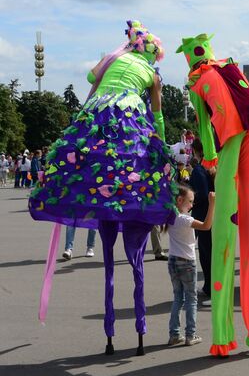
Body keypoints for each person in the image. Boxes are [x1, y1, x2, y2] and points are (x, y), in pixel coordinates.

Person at [29, 20, 176, 355]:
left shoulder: (113, 61)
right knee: (138, 171)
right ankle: (139, 326)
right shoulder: (152, 76)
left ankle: (111, 331)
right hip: (129, 116)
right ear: (153, 56)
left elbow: (90, 78)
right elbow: (159, 116)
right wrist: (162, 149)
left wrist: (118, 53)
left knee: (90, 168)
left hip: (96, 115)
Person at [177, 33, 249, 356]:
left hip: (231, 138)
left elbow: (204, 125)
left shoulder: (197, 79)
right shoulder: (230, 67)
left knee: (224, 239)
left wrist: (211, 158)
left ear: (190, 59)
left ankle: (222, 337)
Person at [166, 185, 215, 347]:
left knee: (178, 297)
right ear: (180, 201)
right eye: (190, 201)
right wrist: (212, 204)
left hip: (173, 260)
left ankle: (174, 334)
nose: (192, 205)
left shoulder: (171, 216)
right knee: (191, 299)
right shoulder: (184, 219)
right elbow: (207, 226)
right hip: (187, 261)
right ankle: (190, 334)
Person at [189, 138, 215, 303]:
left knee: (206, 253)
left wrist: (190, 200)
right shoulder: (211, 167)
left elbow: (202, 194)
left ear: (195, 151)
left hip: (203, 214)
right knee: (210, 252)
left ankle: (211, 288)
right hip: (213, 213)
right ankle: (209, 286)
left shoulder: (198, 170)